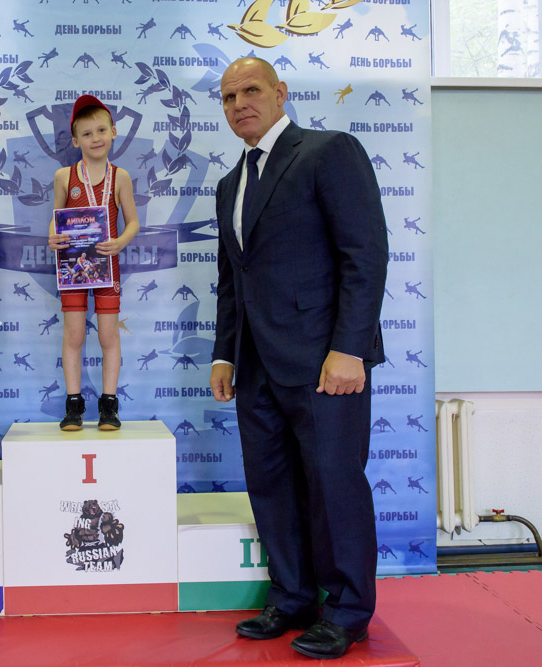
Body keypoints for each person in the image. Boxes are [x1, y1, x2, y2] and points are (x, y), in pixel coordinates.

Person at [209, 58, 388, 660]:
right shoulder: (229, 184)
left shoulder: (328, 152)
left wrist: (349, 349)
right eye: (228, 96)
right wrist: (224, 355)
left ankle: (348, 611)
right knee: (272, 486)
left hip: (324, 361)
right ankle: (292, 597)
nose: (239, 103)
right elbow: (232, 281)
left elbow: (365, 255)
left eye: (251, 90)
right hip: (255, 364)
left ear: (281, 92)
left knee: (335, 487)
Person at [48, 95, 140, 431]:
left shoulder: (120, 176)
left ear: (113, 131)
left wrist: (120, 242)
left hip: (107, 267)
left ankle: (109, 405)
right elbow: (56, 217)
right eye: (87, 133)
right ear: (75, 141)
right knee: (73, 335)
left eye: (101, 130)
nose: (96, 138)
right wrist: (52, 236)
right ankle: (73, 404)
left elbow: (133, 222)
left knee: (108, 336)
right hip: (73, 267)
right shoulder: (64, 176)